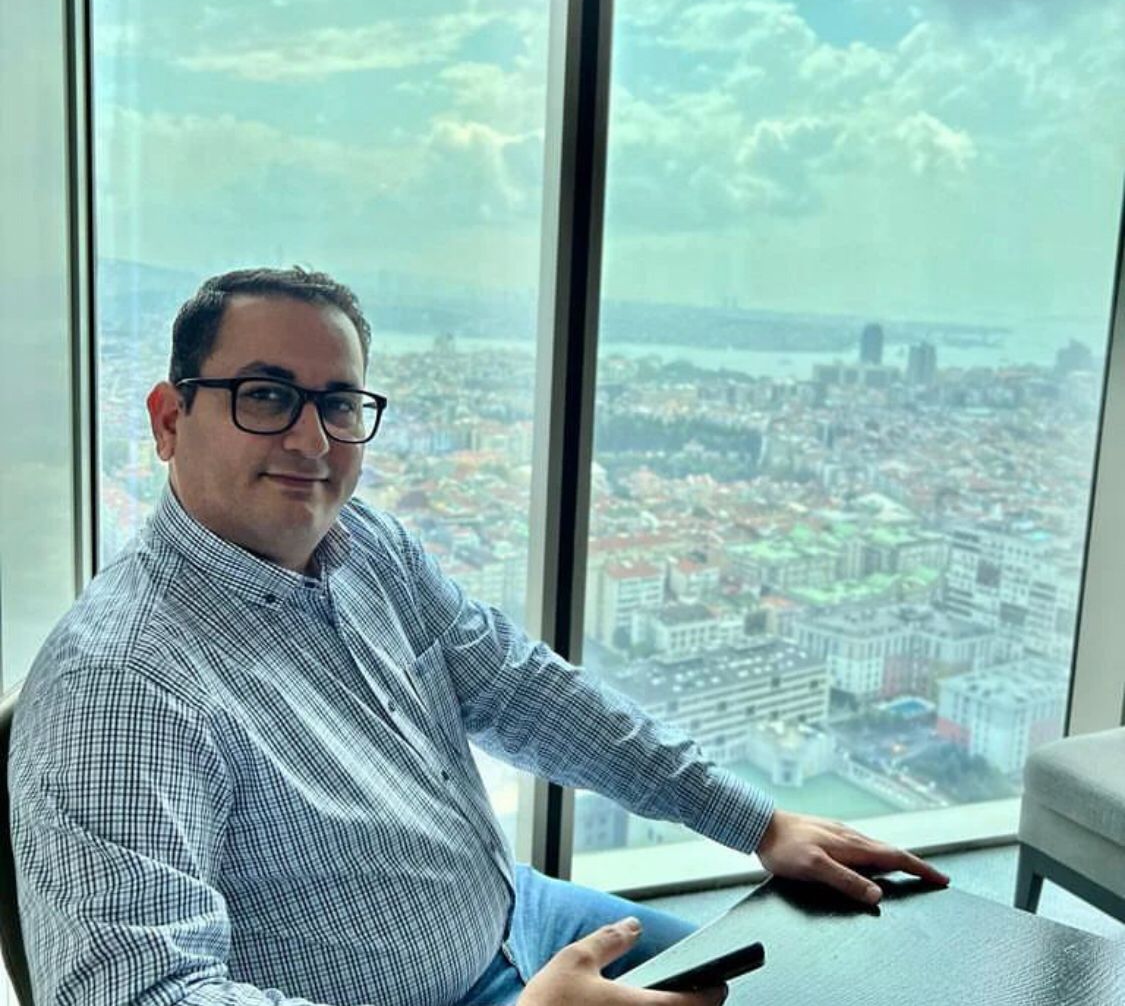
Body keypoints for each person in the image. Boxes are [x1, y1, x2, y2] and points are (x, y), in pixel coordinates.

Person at [10, 268, 948, 1006]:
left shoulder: (364, 545)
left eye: (339, 404)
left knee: (809, 984)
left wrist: (757, 822)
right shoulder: (122, 686)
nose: (312, 441)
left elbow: (521, 688)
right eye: (265, 395)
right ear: (170, 419)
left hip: (522, 916)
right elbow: (143, 994)